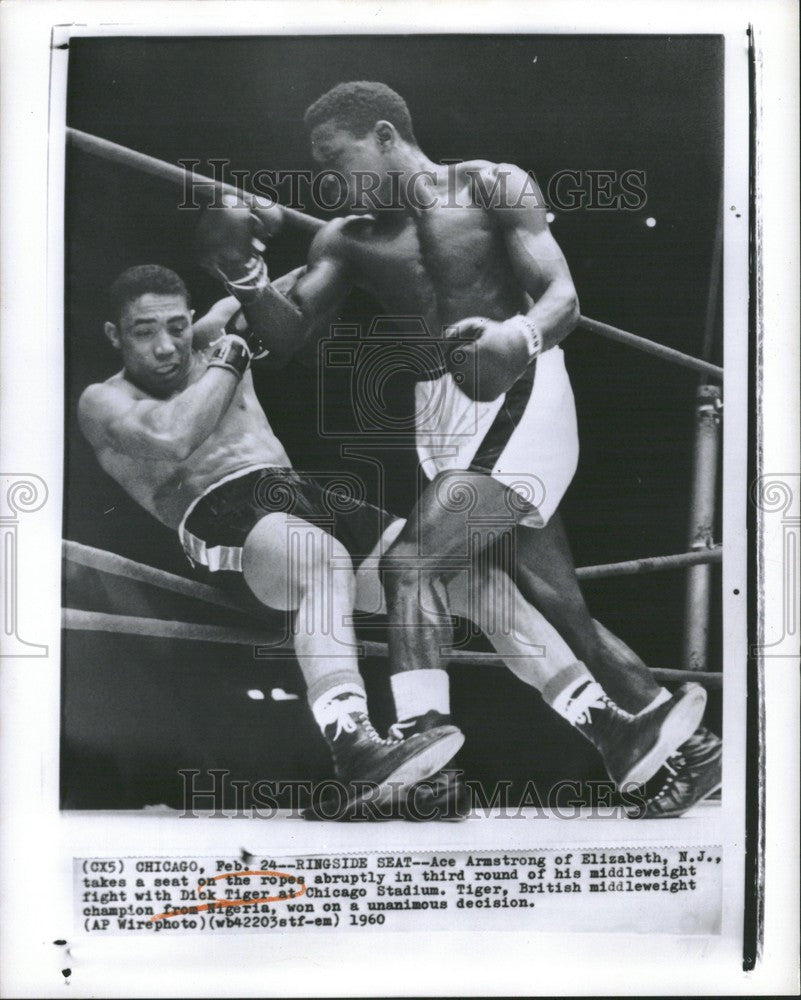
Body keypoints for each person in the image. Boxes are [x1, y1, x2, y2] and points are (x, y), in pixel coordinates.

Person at [193, 80, 722, 818]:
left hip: (514, 388)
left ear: (384, 135)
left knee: (413, 563)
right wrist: (245, 278)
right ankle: (667, 744)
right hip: (438, 416)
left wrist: (519, 334)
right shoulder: (345, 237)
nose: (330, 182)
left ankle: (419, 737)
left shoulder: (490, 186)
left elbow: (561, 296)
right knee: (555, 606)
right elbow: (286, 338)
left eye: (337, 162)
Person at [78, 265, 707, 820]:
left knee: (468, 577)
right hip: (221, 513)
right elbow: (173, 438)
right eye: (143, 332)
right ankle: (353, 743)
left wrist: (266, 263)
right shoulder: (103, 401)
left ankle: (608, 730)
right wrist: (230, 351)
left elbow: (300, 282)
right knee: (318, 559)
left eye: (175, 325)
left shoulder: (210, 334)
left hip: (303, 492)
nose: (166, 346)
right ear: (115, 336)